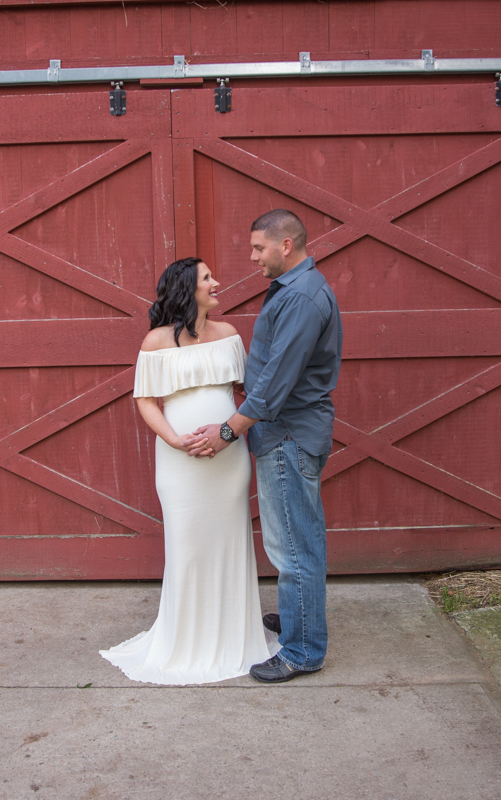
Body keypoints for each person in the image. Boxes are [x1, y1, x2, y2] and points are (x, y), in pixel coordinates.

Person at [100, 257, 280, 685]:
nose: (217, 283)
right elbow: (146, 400)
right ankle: (185, 640)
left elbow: (246, 391)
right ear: (187, 289)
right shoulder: (155, 342)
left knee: (230, 541)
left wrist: (229, 430)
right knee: (188, 545)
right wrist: (175, 440)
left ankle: (235, 636)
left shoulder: (230, 335)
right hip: (180, 464)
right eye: (206, 278)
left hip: (228, 459)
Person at [188, 209, 343, 683]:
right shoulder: (298, 289)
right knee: (299, 540)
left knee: (293, 547)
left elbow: (276, 384)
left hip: (289, 435)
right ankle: (301, 620)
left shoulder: (300, 298)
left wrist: (228, 430)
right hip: (289, 433)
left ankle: (301, 651)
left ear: (286, 246)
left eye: (258, 248)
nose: (252, 257)